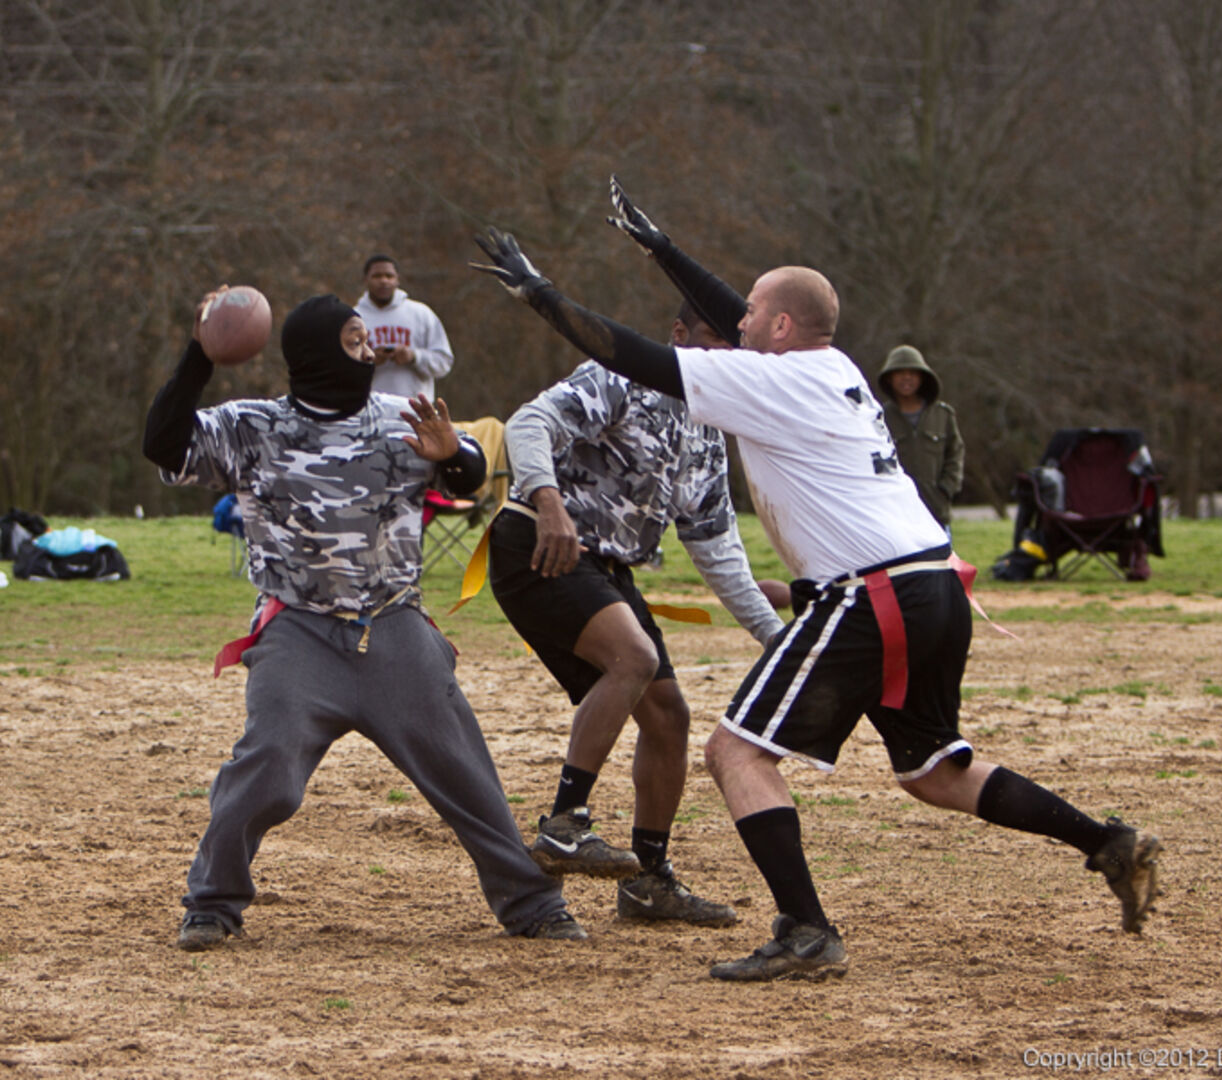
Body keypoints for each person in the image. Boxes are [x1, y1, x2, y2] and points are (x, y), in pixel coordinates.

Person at [468, 177, 1162, 981]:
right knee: (937, 773)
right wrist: (663, 252)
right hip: (935, 583)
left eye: (753, 315)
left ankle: (806, 929)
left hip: (873, 593)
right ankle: (1107, 842)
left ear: (780, 328)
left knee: (736, 754)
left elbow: (636, 354)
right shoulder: (834, 368)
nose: (738, 323)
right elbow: (747, 314)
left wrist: (543, 296)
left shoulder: (770, 380)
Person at [142, 288, 583, 951]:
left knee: (464, 772)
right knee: (266, 767)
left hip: (393, 625)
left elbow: (468, 479)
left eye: (367, 338)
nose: (369, 351)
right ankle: (211, 903)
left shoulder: (403, 417)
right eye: (353, 340)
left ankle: (533, 903)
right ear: (317, 355)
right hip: (298, 632)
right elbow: (164, 445)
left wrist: (452, 455)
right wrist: (199, 356)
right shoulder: (252, 427)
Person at [489, 300, 786, 926]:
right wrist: (548, 501)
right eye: (712, 339)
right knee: (634, 657)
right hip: (535, 542)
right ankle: (565, 825)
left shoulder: (708, 432)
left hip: (605, 568)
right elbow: (527, 423)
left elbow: (720, 553)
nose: (725, 355)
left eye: (734, 345)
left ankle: (648, 882)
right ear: (677, 333)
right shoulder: (620, 378)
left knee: (669, 715)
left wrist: (775, 638)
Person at [876, 345, 964, 533]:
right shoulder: (880, 418)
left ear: (923, 377)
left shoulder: (943, 415)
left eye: (912, 373)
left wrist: (946, 489)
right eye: (900, 373)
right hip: (896, 513)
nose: (906, 378)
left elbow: (955, 454)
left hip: (936, 511)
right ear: (889, 378)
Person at [355, 254, 455, 401]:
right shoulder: (353, 318)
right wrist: (369, 361)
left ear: (398, 280)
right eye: (377, 276)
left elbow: (444, 362)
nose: (384, 281)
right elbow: (338, 369)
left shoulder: (421, 313)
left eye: (389, 276)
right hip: (368, 407)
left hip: (415, 407)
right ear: (366, 280)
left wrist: (414, 357)